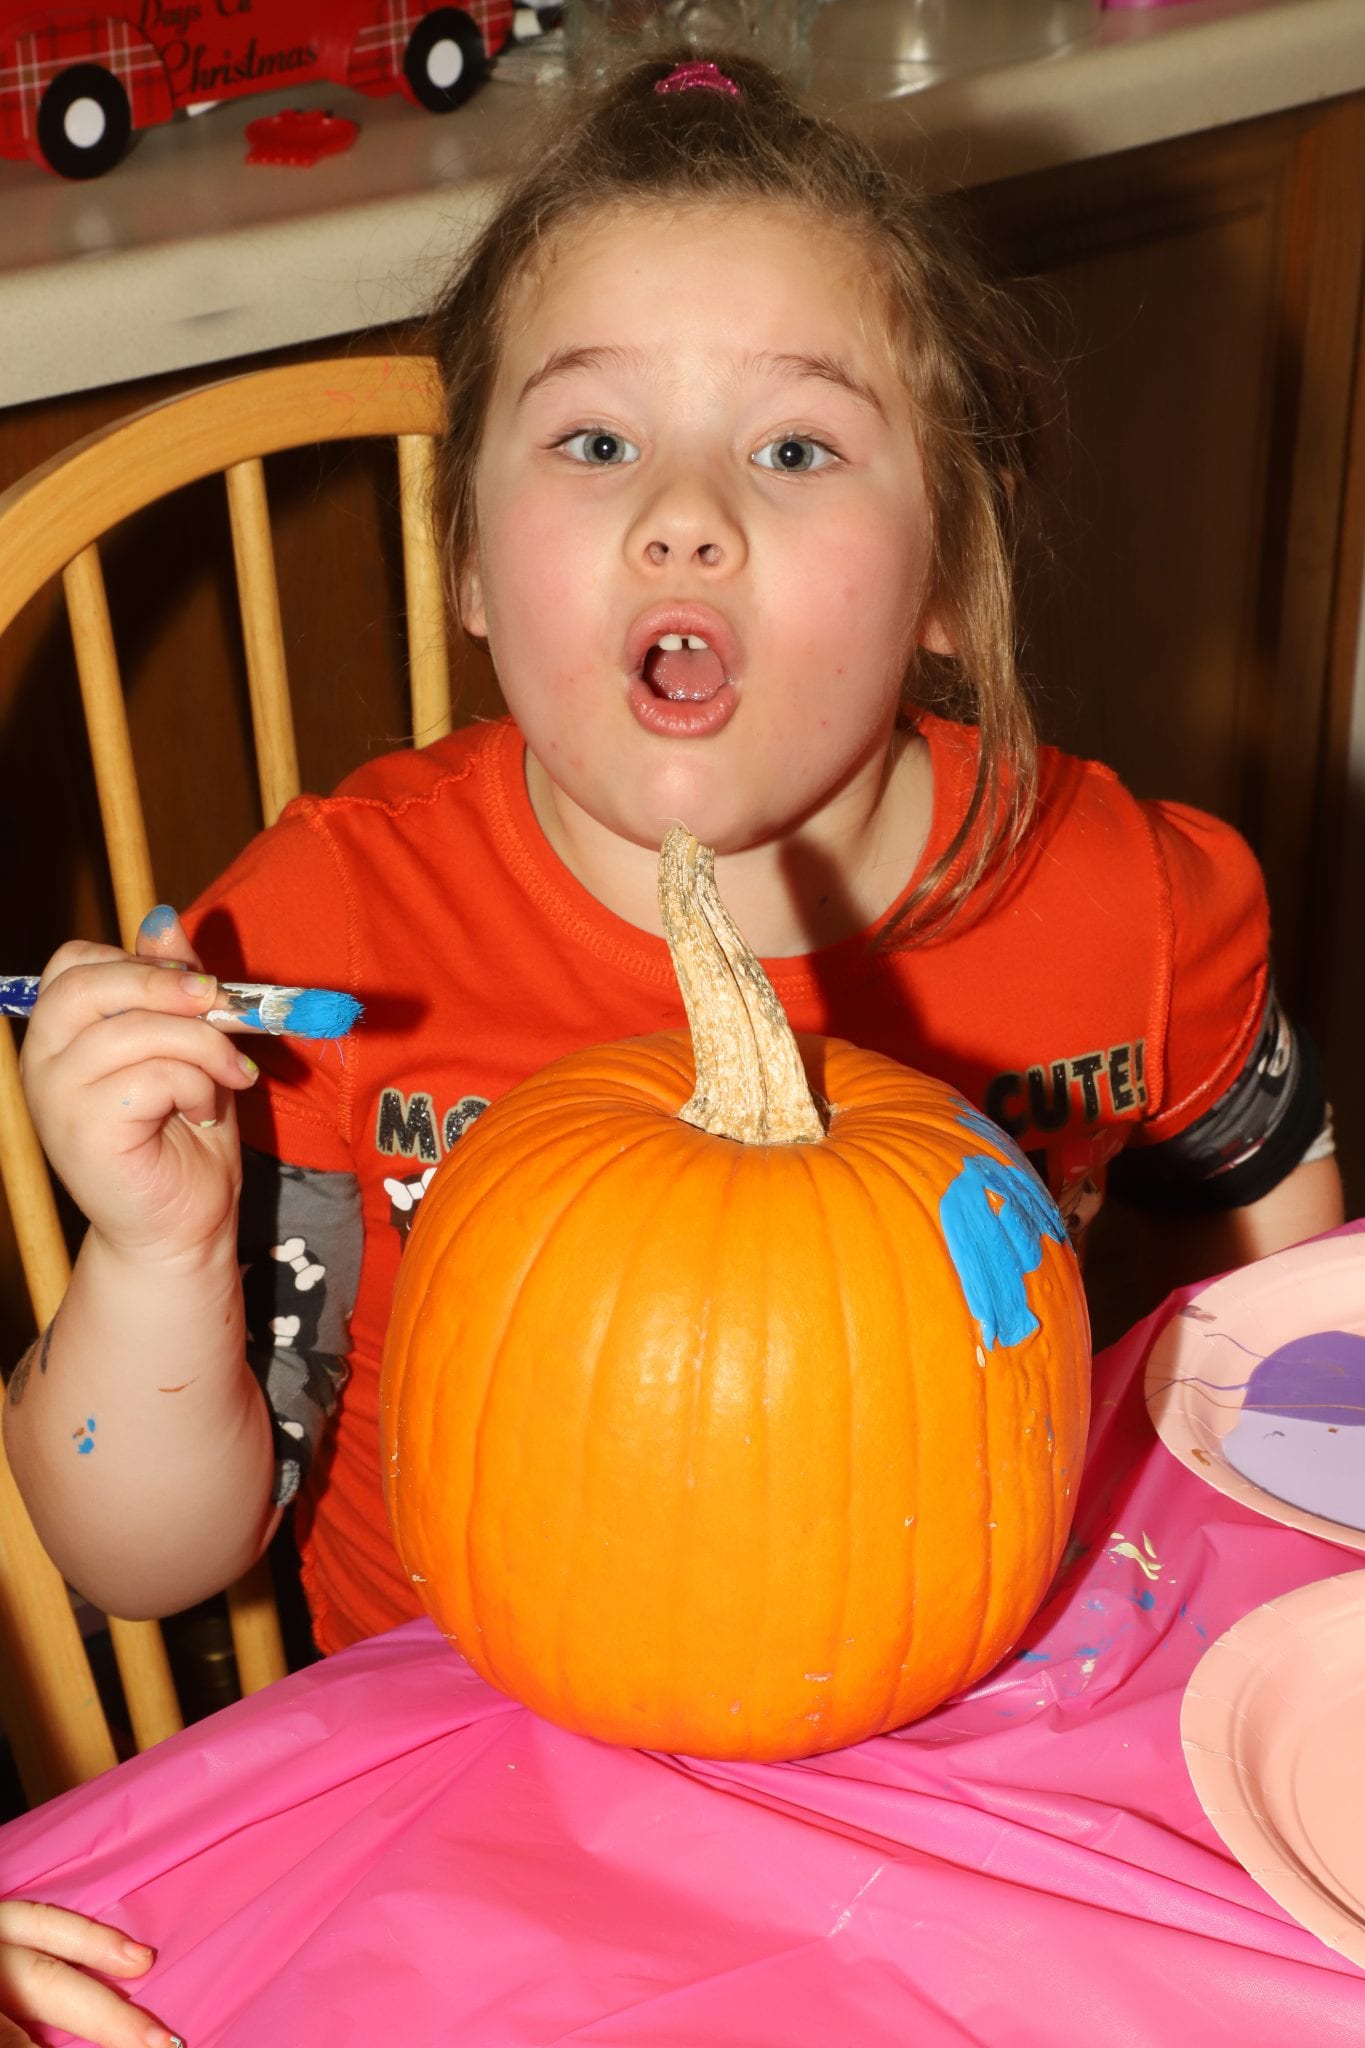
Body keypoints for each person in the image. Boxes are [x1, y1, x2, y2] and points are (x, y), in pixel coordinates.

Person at [1, 47, 1343, 2047]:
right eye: (593, 444)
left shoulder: (1113, 899)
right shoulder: (331, 947)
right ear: (468, 563)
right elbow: (139, 1554)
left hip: (985, 1746)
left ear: (951, 574)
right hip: (490, 1821)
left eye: (793, 451)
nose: (686, 518)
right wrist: (152, 1255)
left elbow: (1281, 1252)